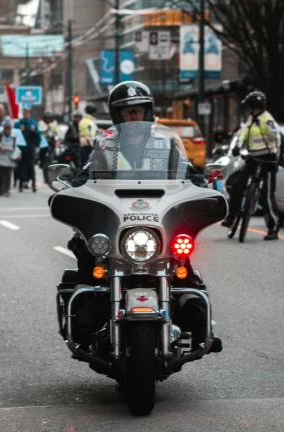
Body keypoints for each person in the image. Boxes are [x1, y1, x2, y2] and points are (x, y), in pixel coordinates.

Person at [64, 81, 219, 352]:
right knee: (86, 255)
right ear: (118, 116)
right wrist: (75, 188)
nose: (133, 118)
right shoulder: (105, 144)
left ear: (147, 112)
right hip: (117, 223)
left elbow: (187, 172)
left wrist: (201, 184)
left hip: (157, 222)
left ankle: (198, 327)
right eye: (127, 112)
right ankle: (85, 327)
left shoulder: (166, 142)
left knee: (184, 268)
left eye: (137, 111)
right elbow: (85, 174)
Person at [220, 91, 281, 241]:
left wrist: (276, 155)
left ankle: (273, 228)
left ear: (253, 106)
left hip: (267, 160)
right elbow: (243, 135)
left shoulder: (267, 120)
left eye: (249, 106)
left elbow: (276, 137)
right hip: (253, 159)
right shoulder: (251, 120)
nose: (247, 109)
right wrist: (237, 147)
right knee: (237, 186)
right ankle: (231, 217)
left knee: (266, 195)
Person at [15, 108, 40, 192]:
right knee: (22, 167)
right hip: (21, 149)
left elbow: (38, 136)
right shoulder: (19, 124)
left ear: (29, 114)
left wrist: (34, 131)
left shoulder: (33, 124)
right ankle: (21, 185)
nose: (25, 115)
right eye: (24, 113)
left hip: (30, 148)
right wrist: (19, 130)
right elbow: (15, 134)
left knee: (31, 167)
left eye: (27, 113)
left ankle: (33, 185)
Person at [0, 119, 19, 196]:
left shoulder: (13, 136)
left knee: (8, 174)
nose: (8, 130)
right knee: (0, 174)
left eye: (9, 129)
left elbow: (15, 146)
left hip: (9, 157)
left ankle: (7, 189)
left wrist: (18, 154)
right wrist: (0, 146)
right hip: (0, 156)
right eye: (6, 129)